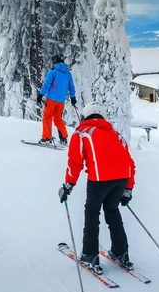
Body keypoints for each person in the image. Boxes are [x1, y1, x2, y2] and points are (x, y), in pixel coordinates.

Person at [58, 102, 136, 274]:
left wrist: (68, 184)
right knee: (112, 210)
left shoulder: (82, 133)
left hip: (99, 179)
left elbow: (75, 161)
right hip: (121, 180)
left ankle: (90, 255)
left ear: (85, 116)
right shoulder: (116, 135)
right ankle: (120, 252)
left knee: (92, 213)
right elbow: (130, 163)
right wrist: (128, 188)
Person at [37, 54, 76, 145]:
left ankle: (46, 138)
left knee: (47, 117)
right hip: (61, 102)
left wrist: (40, 95)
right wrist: (73, 98)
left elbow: (47, 84)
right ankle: (63, 137)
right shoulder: (68, 74)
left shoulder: (52, 72)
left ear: (55, 61)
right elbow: (71, 87)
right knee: (58, 119)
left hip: (51, 99)